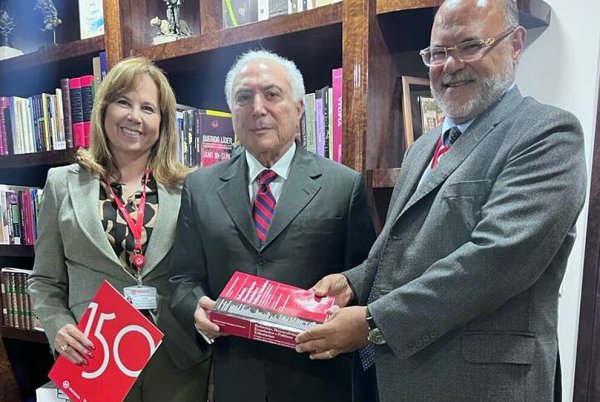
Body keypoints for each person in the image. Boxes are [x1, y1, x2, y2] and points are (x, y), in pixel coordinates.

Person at [295, 0, 587, 401]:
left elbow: (494, 261)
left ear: (516, 44)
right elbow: (404, 248)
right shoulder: (423, 147)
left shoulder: (547, 134)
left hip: (486, 389)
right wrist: (353, 282)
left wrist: (373, 323)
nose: (450, 65)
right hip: (401, 379)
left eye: (470, 46)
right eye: (437, 53)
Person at [168, 49, 376, 402]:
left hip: (319, 381)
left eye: (272, 94)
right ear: (232, 111)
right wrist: (195, 308)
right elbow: (182, 279)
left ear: (298, 108)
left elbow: (369, 274)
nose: (257, 108)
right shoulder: (199, 188)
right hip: (236, 381)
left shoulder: (343, 185)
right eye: (243, 98)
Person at [27, 56, 210, 402]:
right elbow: (44, 280)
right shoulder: (62, 184)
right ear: (104, 109)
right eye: (124, 102)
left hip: (177, 362)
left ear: (163, 122)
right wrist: (57, 327)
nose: (134, 117)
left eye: (148, 108)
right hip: (95, 359)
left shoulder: (190, 187)